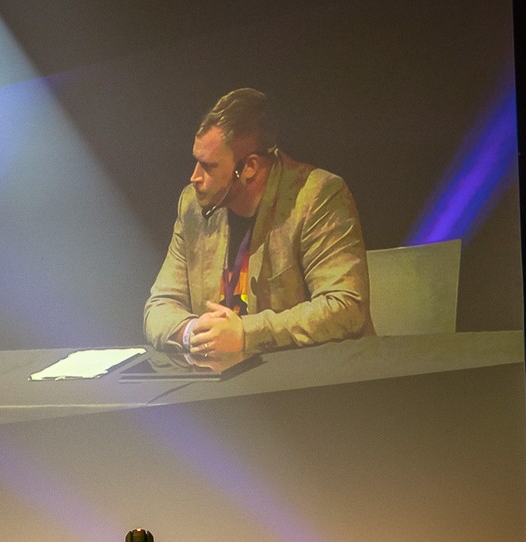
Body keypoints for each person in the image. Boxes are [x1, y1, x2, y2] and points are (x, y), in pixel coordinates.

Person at [143, 87, 373, 366]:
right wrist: (193, 332)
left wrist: (245, 333)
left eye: (209, 166)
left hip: (309, 377)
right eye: (196, 162)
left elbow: (346, 308)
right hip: (223, 380)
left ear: (249, 167)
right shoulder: (192, 205)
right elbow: (159, 305)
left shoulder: (318, 197)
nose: (195, 177)